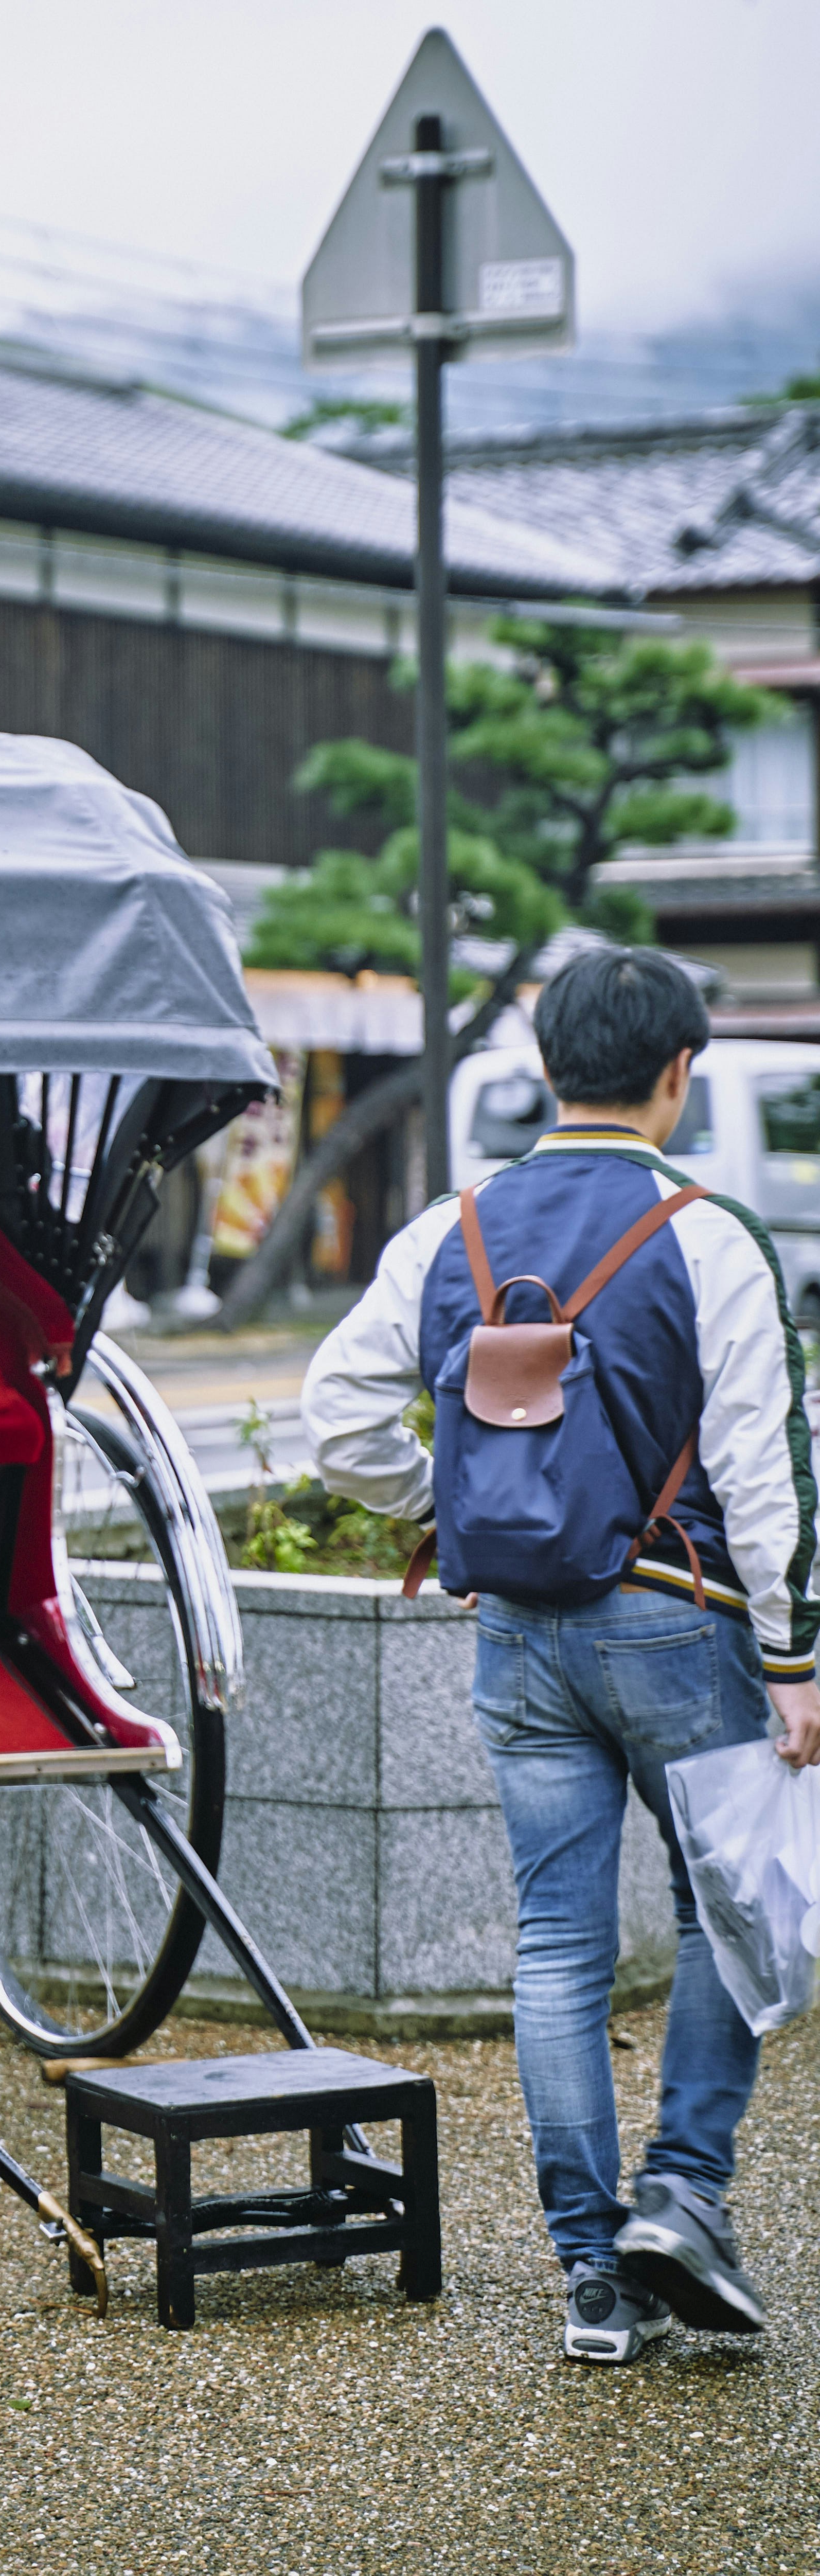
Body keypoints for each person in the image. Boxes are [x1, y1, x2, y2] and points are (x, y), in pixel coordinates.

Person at [301, 945, 820, 2365]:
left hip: (521, 1636)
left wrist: (447, 1506)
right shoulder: (708, 1235)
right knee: (740, 1907)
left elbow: (335, 1418)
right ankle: (685, 2198)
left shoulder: (447, 1229)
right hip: (675, 1617)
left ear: (548, 1072)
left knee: (556, 1944)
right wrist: (794, 1659)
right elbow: (764, 1476)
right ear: (678, 1075)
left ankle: (594, 2283)